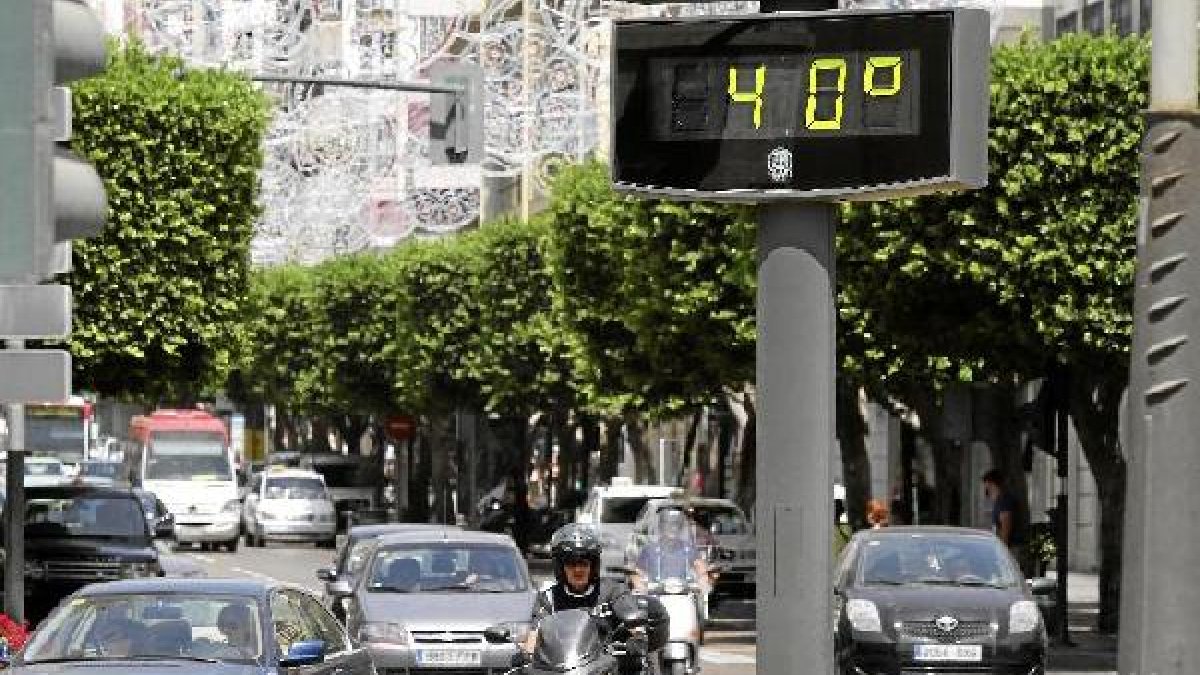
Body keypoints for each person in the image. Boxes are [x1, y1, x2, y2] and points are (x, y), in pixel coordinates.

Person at [524, 524, 638, 653]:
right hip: (563, 668)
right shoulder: (548, 599)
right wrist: (527, 655)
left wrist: (637, 638)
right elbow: (533, 640)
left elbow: (635, 625)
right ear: (561, 567)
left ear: (593, 566)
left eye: (583, 564)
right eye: (571, 564)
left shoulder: (614, 592)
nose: (578, 569)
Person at [982, 469, 1032, 577]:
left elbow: (1006, 526)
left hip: (1013, 548)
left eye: (986, 484)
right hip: (1012, 547)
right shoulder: (1000, 501)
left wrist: (1002, 549)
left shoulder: (1004, 500)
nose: (985, 488)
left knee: (1011, 577)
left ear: (991, 483)